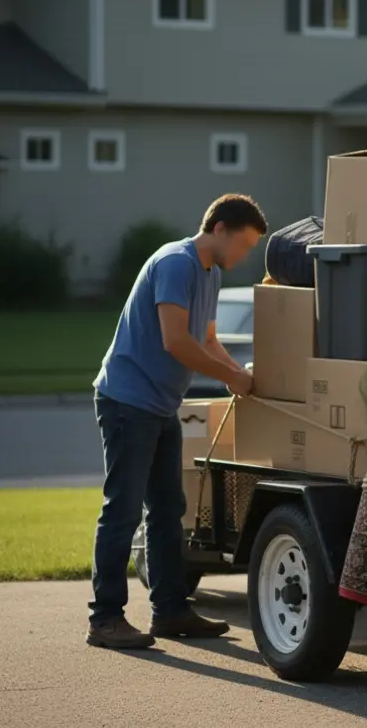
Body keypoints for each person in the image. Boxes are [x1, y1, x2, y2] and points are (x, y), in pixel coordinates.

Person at [87, 194, 267, 649]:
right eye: (243, 245)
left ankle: (170, 612)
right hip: (128, 403)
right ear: (221, 228)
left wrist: (242, 376)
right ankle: (105, 619)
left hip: (161, 407)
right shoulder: (175, 263)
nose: (245, 256)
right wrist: (229, 374)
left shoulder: (211, 274)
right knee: (122, 511)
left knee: (169, 512)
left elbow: (207, 338)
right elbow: (176, 341)